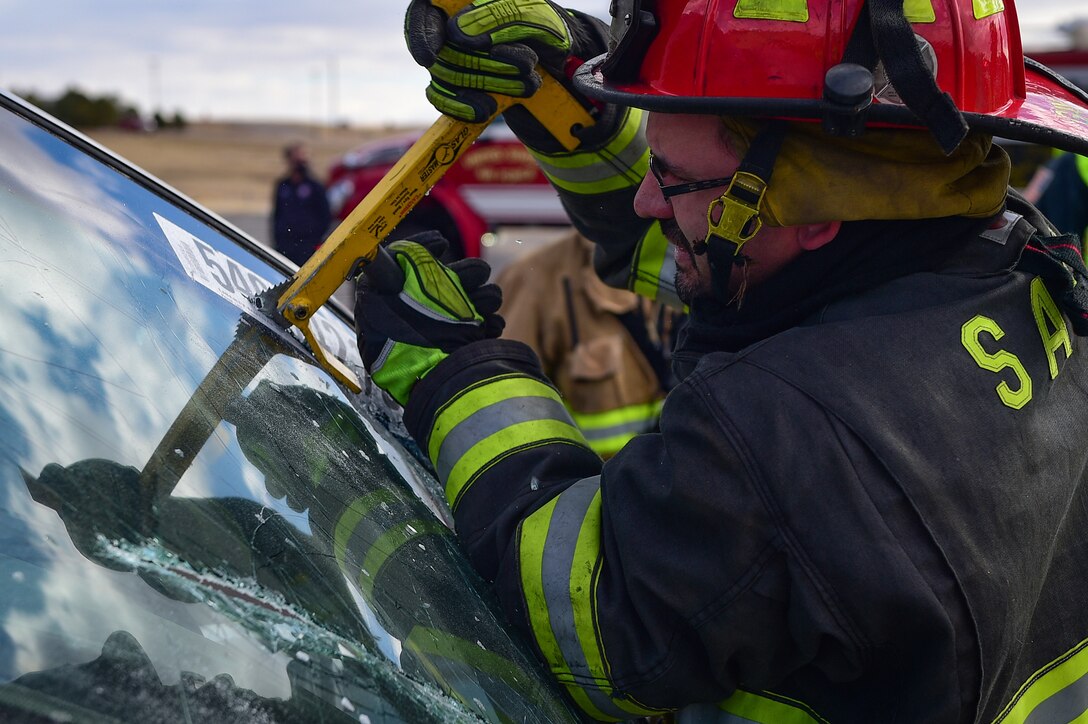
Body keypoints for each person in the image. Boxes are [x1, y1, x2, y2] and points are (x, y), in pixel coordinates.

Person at [352, 0, 1088, 720]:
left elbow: (594, 620)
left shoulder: (785, 432)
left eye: (671, 175)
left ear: (815, 205)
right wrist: (578, 104)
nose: (646, 200)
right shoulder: (1015, 261)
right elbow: (724, 261)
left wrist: (453, 372)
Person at [496, 228, 681, 458]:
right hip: (589, 486)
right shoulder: (536, 280)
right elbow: (508, 415)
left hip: (670, 482)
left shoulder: (686, 266)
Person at [271, 141, 332, 266]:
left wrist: (316, 240)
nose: (301, 162)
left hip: (307, 247)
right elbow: (277, 215)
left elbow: (325, 216)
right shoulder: (283, 185)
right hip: (285, 246)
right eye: (297, 159)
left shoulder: (315, 186)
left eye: (304, 158)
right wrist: (278, 240)